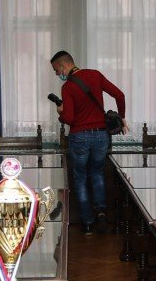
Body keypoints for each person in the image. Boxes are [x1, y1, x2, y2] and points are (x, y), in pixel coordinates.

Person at [52, 50, 125, 235]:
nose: (57, 74)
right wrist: (122, 117)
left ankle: (87, 223)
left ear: (63, 66)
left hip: (79, 137)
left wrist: (61, 113)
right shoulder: (95, 75)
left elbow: (69, 119)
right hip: (101, 136)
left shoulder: (68, 87)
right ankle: (101, 213)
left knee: (80, 178)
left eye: (56, 70)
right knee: (97, 173)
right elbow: (120, 95)